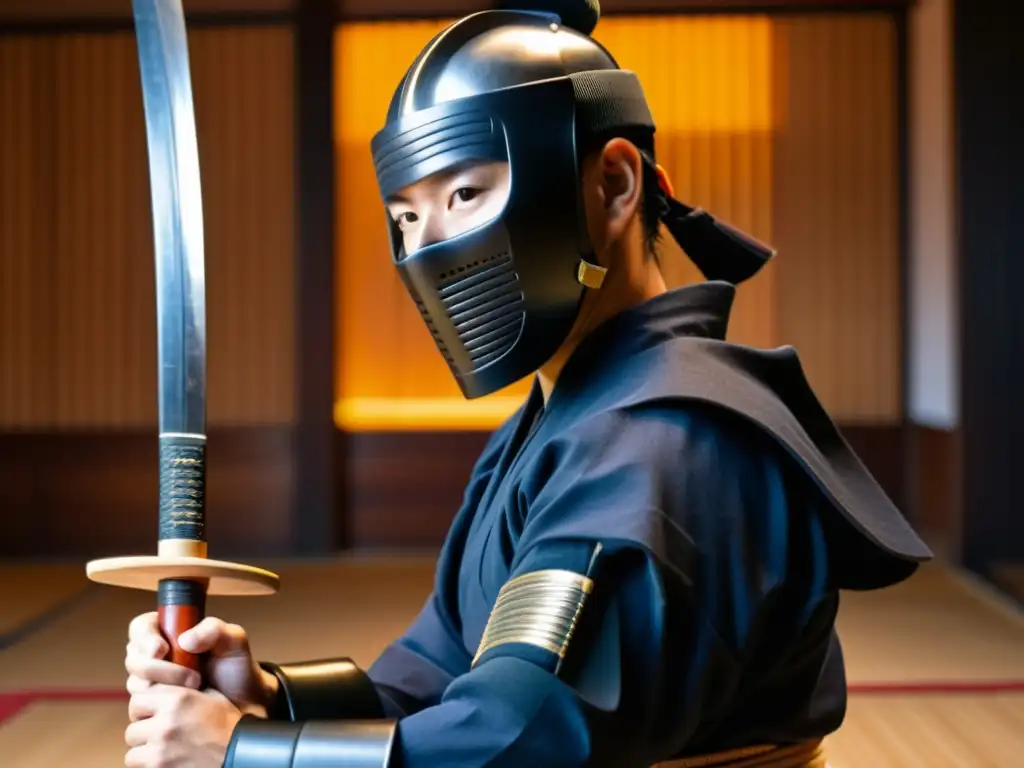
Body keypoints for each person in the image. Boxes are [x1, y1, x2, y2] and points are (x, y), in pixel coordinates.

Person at [121, 2, 932, 767]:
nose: (430, 244)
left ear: (614, 186)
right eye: (406, 217)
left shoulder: (662, 440)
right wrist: (269, 697)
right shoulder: (562, 417)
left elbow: (527, 735)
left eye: (466, 194)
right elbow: (443, 670)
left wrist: (243, 752)